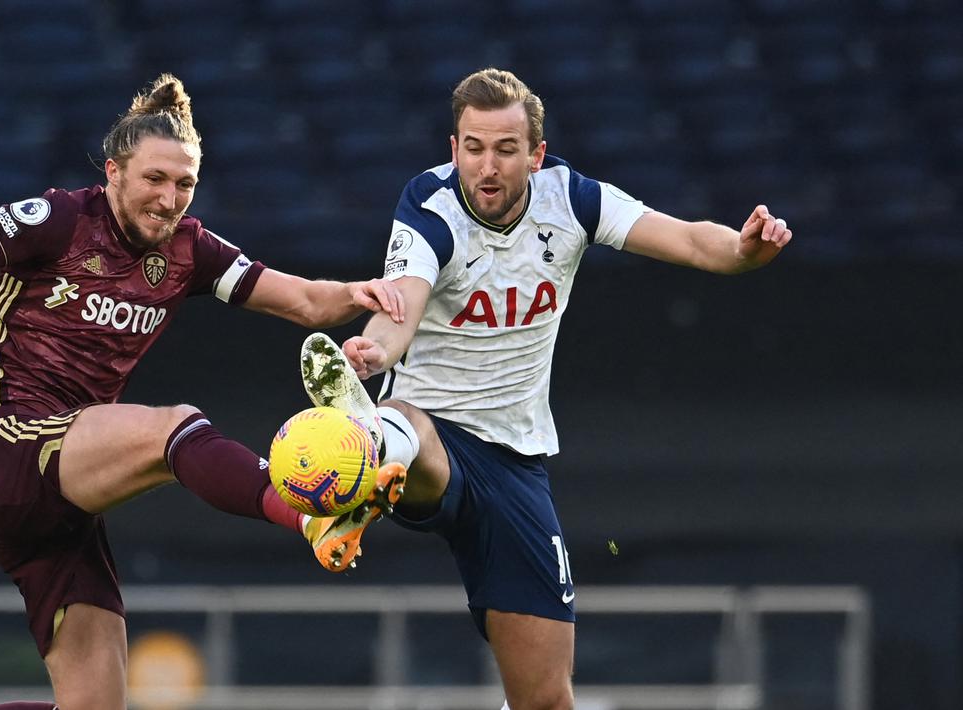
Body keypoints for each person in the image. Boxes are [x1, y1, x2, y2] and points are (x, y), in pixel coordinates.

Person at [0, 73, 407, 710]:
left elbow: (307, 302)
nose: (169, 198)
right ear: (115, 171)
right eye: (154, 179)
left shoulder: (189, 249)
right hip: (16, 449)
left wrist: (357, 294)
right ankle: (309, 513)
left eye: (184, 185)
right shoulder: (61, 219)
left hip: (70, 493)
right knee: (173, 427)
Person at [298, 68, 792, 710]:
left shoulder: (573, 200)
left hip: (517, 465)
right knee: (404, 425)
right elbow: (402, 302)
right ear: (454, 149)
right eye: (473, 147)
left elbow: (691, 239)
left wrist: (742, 252)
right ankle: (360, 457)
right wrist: (373, 350)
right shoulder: (429, 207)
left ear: (535, 154)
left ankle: (364, 460)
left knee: (546, 699)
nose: (488, 166)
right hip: (434, 435)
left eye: (506, 149)